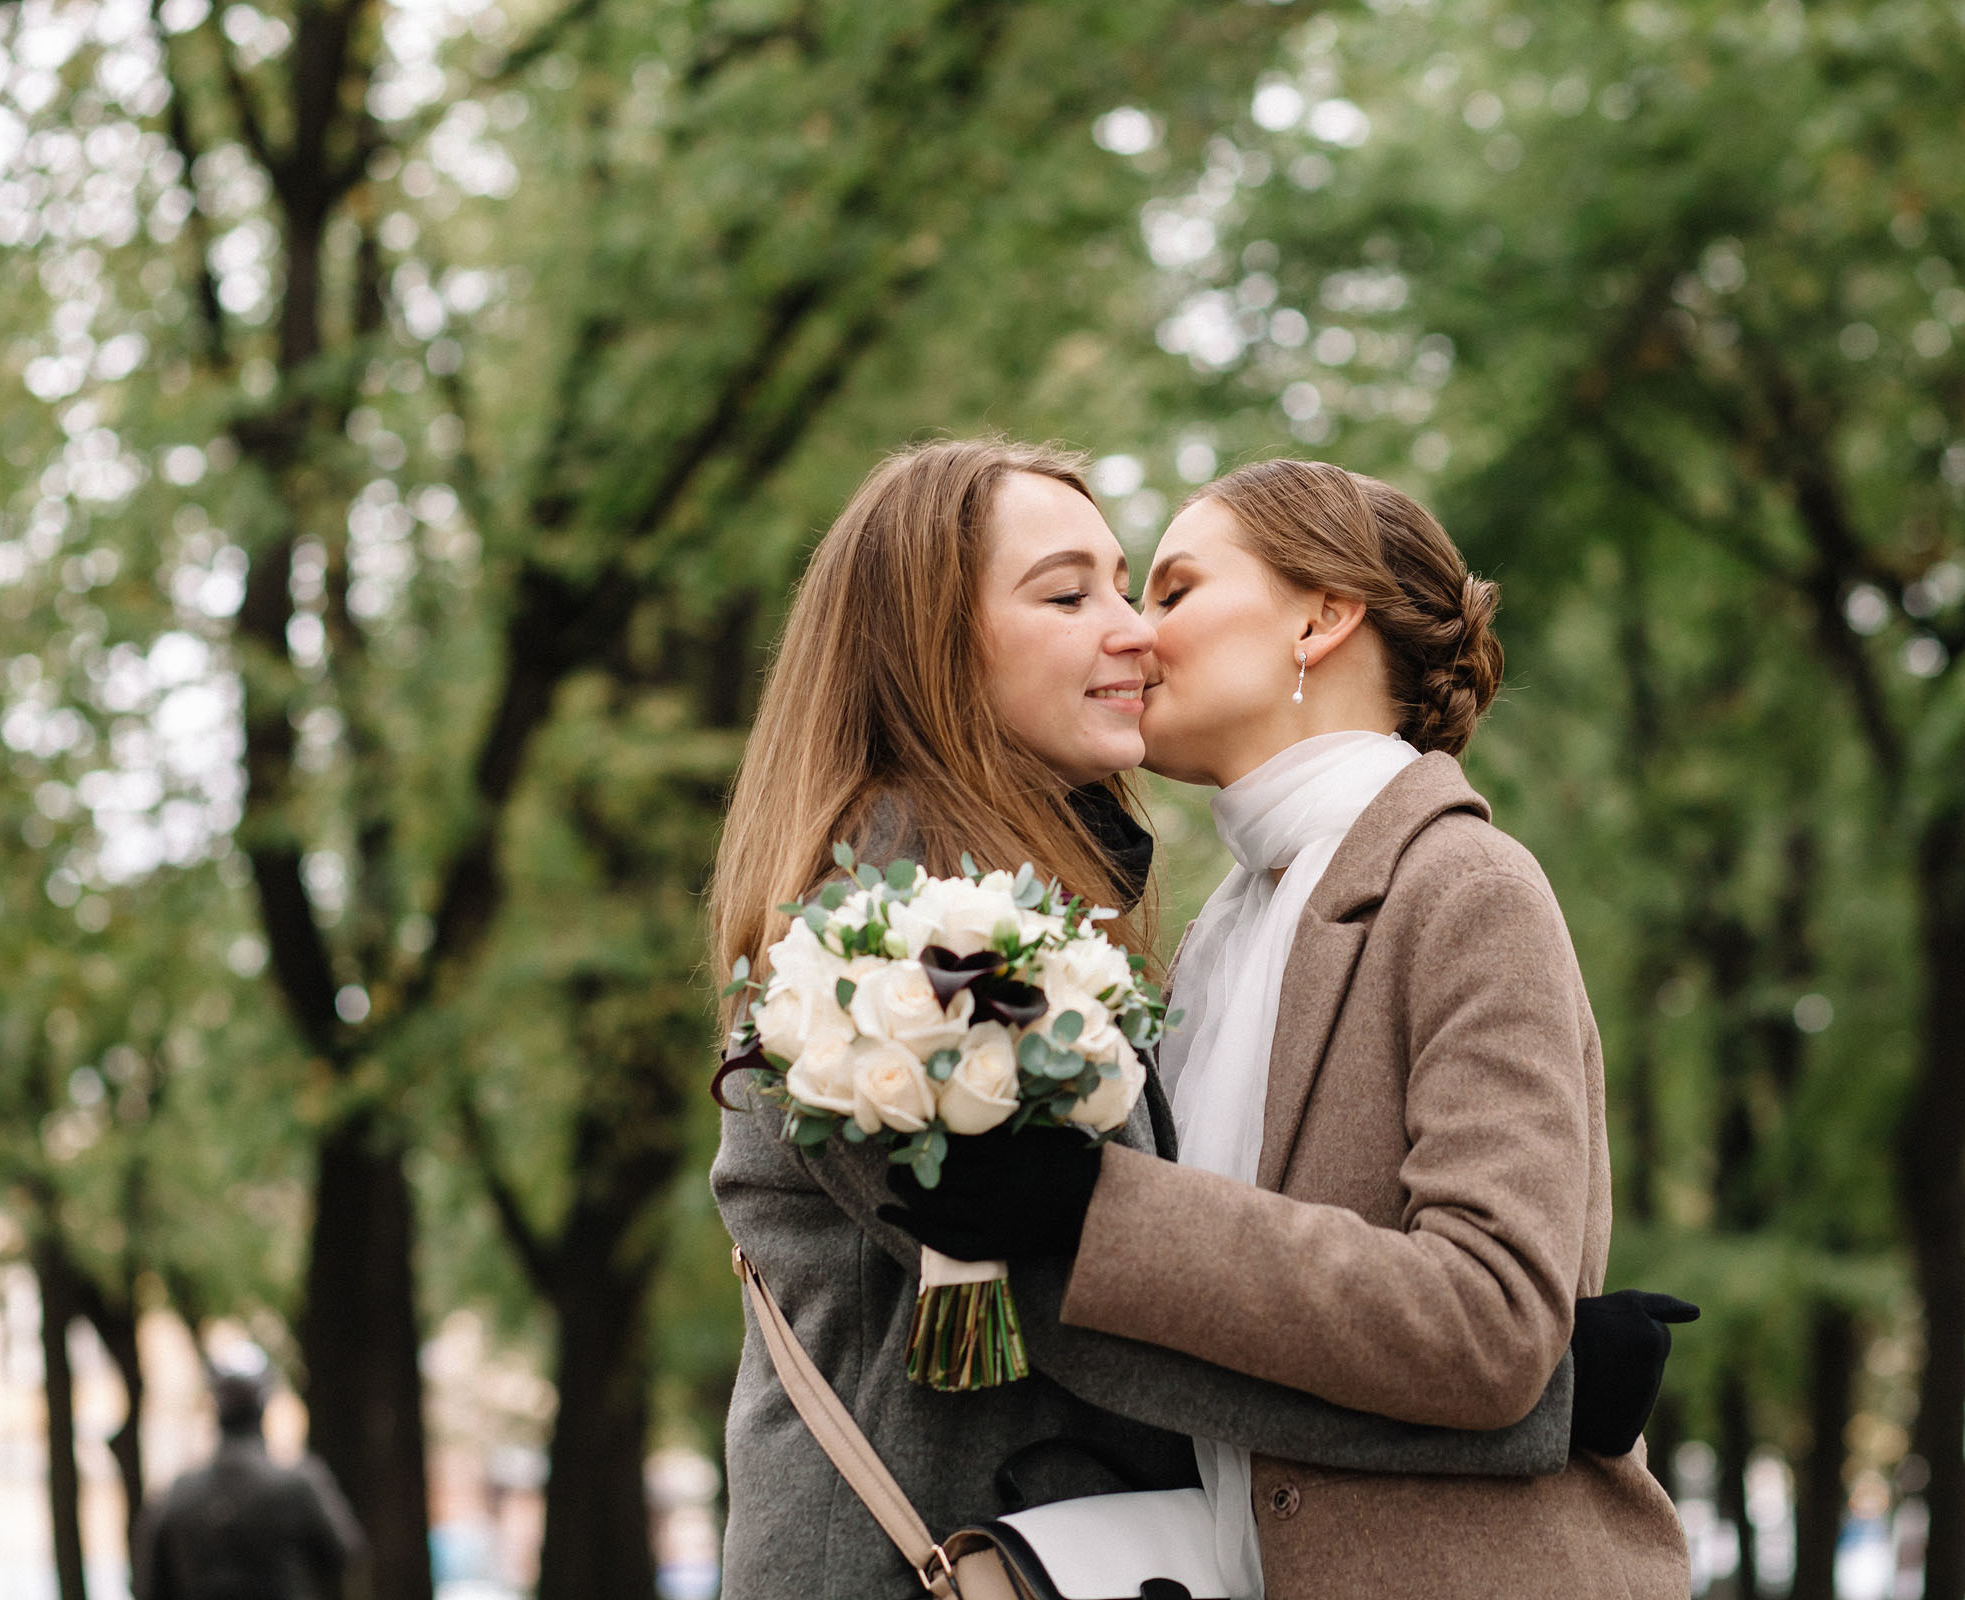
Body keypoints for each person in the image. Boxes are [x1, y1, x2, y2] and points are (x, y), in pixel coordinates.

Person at [708, 439, 1685, 1599]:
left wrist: (1501, 1348)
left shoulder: (1341, 898)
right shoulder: (900, 931)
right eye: (1076, 595)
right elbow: (1083, 1308)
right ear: (929, 641)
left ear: (1321, 624)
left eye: (1150, 588)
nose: (1133, 630)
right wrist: (1548, 1397)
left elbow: (1141, 1276)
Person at [133, 1363, 365, 1600]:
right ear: (263, 1404)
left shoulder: (176, 1494)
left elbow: (149, 1584)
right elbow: (345, 1555)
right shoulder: (299, 1484)